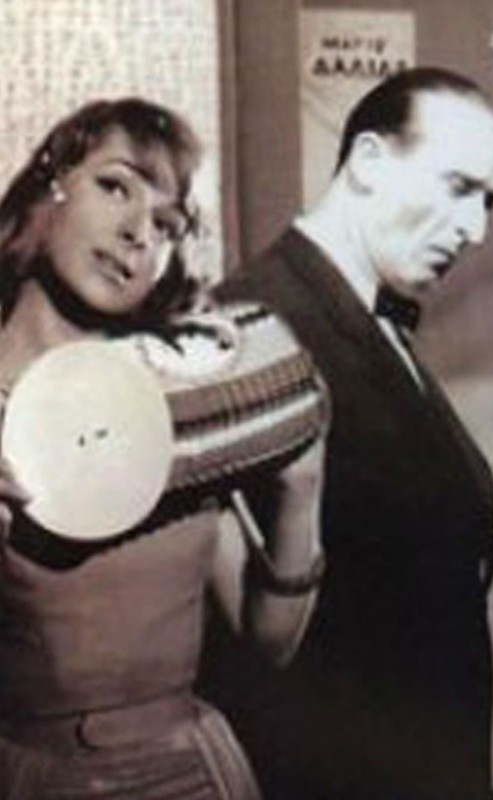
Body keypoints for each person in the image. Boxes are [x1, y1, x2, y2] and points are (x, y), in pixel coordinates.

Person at [200, 68, 493, 800]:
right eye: (459, 188)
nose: (475, 230)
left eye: (488, 202)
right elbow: (254, 645)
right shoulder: (255, 325)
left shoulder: (368, 314)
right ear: (368, 162)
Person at [0, 98, 325, 798]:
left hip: (193, 774)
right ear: (50, 184)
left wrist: (302, 487)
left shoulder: (178, 401)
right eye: (115, 186)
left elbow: (270, 641)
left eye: (166, 224)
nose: (136, 233)